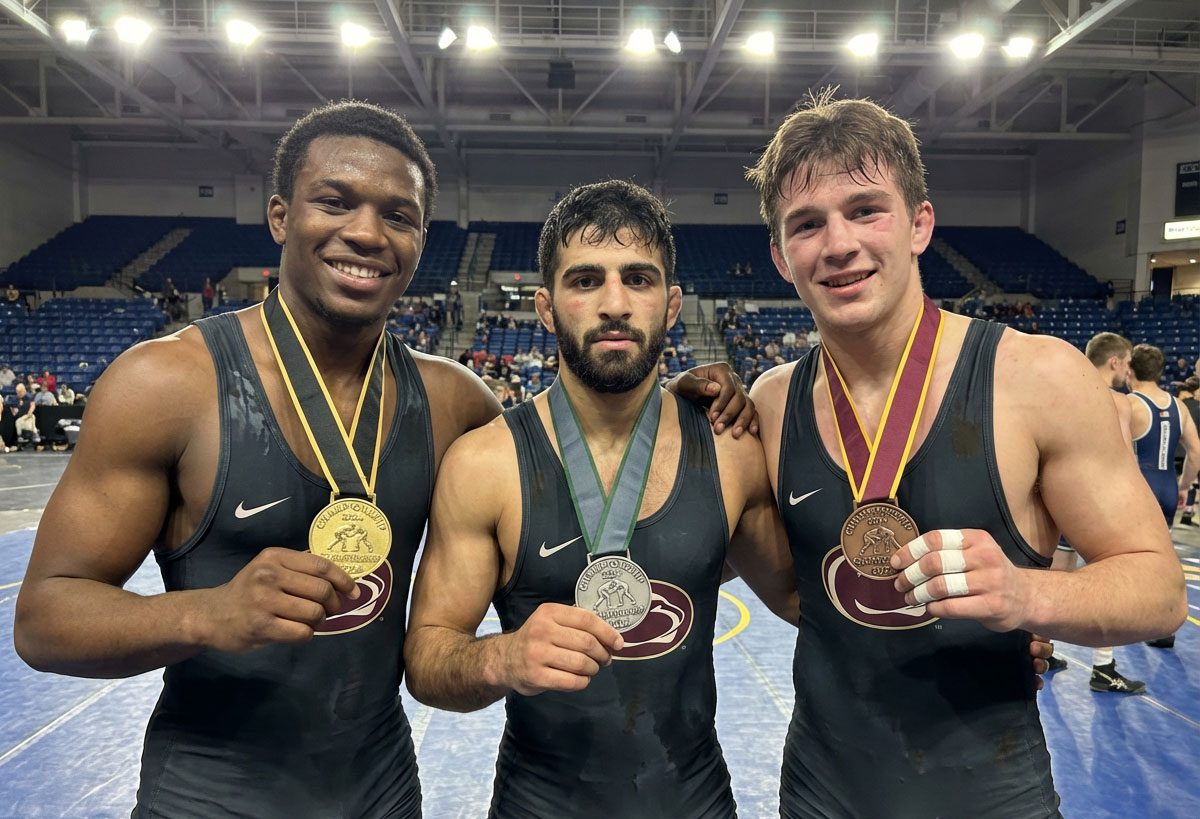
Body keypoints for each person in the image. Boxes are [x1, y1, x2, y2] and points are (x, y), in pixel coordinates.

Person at [14, 102, 754, 819]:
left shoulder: (451, 401)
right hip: (207, 797)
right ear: (280, 216)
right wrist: (204, 613)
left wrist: (675, 400)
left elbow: (582, 466)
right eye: (335, 202)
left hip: (382, 795)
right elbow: (45, 619)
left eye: (397, 215)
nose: (366, 232)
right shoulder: (166, 385)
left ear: (419, 239)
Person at [744, 91, 1185, 818]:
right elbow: (807, 594)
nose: (838, 243)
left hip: (990, 797)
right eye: (806, 224)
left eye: (865, 209)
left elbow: (1160, 588)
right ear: (780, 255)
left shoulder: (1037, 378)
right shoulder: (768, 401)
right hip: (820, 797)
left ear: (920, 222)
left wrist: (1026, 596)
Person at [403, 180, 799, 819]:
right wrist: (503, 657)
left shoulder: (729, 449)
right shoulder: (485, 464)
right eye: (585, 281)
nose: (614, 303)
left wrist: (984, 624)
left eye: (638, 279)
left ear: (672, 306)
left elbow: (814, 602)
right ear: (545, 305)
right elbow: (426, 659)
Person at [1043, 332, 1145, 693]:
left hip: (1058, 499)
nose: (1128, 371)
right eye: (1127, 363)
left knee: (1054, 580)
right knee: (1111, 582)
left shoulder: (1062, 390)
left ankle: (1042, 652)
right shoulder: (1115, 401)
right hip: (1099, 503)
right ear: (1114, 361)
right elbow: (1124, 459)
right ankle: (1104, 668)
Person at [1125, 343, 1200, 649]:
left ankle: (1132, 620)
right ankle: (1164, 626)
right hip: (1167, 488)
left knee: (1131, 558)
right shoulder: (1178, 406)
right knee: (1163, 557)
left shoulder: (1129, 404)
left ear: (1130, 370)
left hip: (1139, 491)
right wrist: (1183, 487)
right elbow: (1195, 452)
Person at [1179, 375, 1199, 526]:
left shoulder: (1177, 405)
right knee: (1191, 480)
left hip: (1175, 451)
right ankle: (1188, 509)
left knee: (1190, 481)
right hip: (1193, 450)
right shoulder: (1196, 406)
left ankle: (1187, 509)